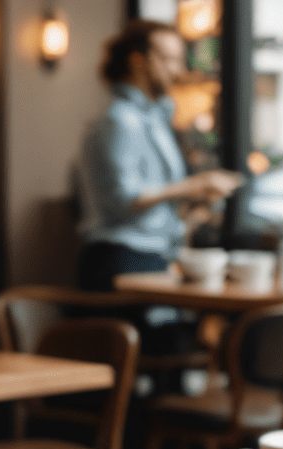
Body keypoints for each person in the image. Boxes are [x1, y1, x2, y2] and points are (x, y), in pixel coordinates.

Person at [75, 20, 243, 293]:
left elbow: (153, 198)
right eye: (169, 60)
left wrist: (195, 203)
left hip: (151, 255)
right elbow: (123, 199)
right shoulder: (120, 121)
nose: (178, 71)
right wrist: (192, 186)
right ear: (138, 61)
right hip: (121, 257)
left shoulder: (153, 119)